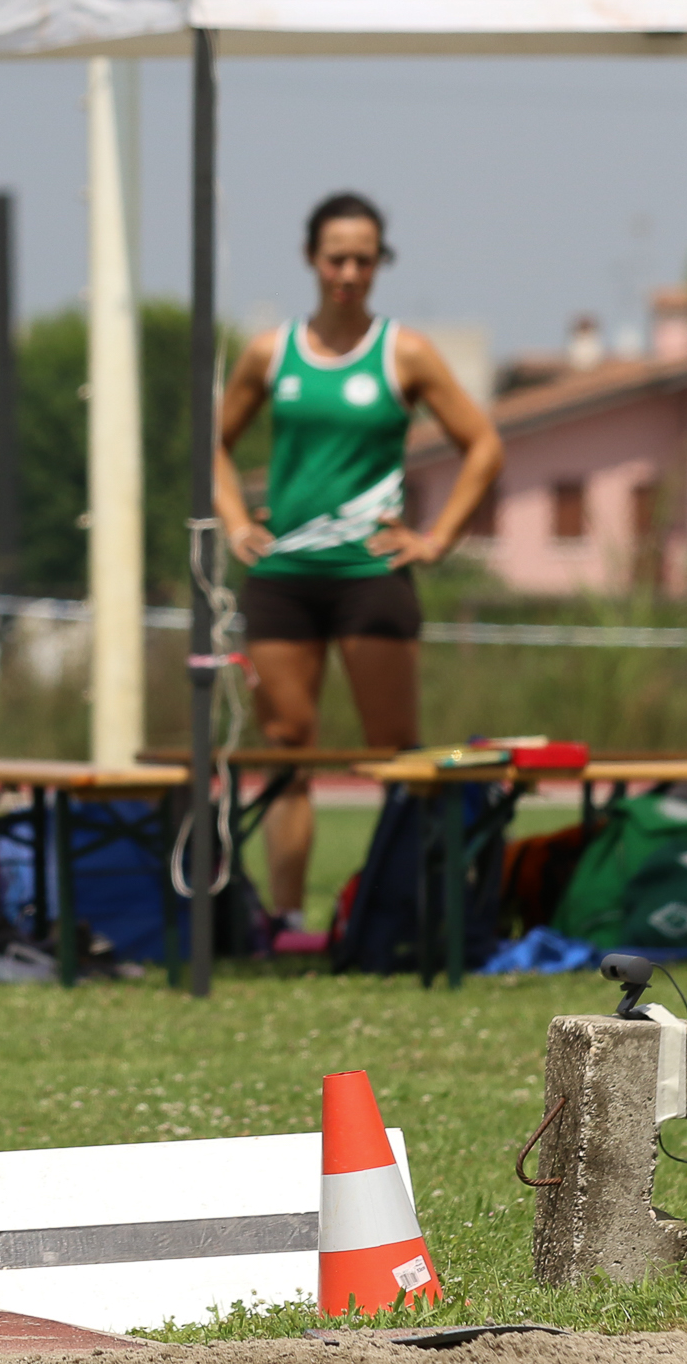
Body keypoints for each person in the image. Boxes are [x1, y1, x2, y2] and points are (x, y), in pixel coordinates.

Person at [213, 192, 501, 932]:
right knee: (287, 751)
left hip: (372, 579)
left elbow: (484, 446)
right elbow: (210, 444)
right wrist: (237, 522)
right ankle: (285, 918)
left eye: (364, 260)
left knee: (395, 757)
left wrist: (435, 540)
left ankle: (401, 916)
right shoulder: (270, 352)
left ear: (380, 264)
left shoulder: (405, 352)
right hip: (283, 580)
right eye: (336, 258)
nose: (348, 273)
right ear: (311, 259)